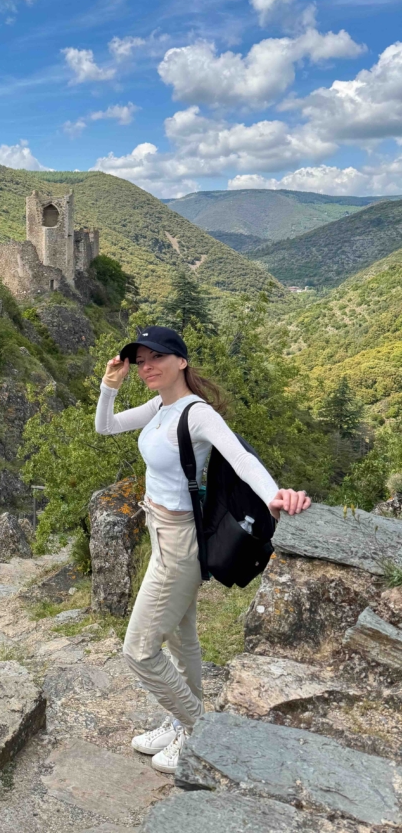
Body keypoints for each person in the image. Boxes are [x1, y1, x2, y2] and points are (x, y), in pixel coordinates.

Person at [95, 325, 311, 774]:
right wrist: (108, 388)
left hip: (179, 543)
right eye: (140, 359)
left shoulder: (195, 414)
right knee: (180, 637)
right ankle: (179, 721)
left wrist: (275, 495)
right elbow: (106, 427)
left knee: (138, 650)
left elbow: (242, 458)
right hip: (161, 533)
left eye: (156, 356)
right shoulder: (159, 406)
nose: (146, 366)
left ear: (182, 361)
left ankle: (199, 729)